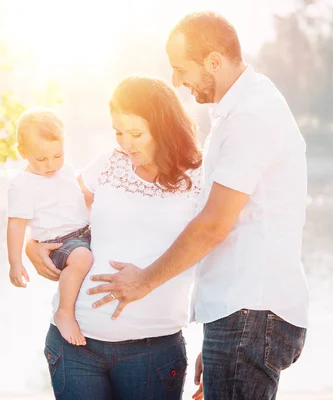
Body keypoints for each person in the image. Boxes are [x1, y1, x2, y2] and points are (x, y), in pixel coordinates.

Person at [87, 12, 309, 400]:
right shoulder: (240, 110)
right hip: (240, 315)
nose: (176, 81)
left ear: (213, 62)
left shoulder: (250, 117)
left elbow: (213, 225)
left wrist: (144, 280)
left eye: (180, 69)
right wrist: (217, 335)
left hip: (251, 313)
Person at [26, 76, 202, 399]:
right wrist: (32, 244)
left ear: (164, 128)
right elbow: (58, 209)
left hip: (153, 352)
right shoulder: (108, 164)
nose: (126, 143)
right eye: (119, 132)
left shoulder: (199, 178)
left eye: (136, 133)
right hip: (76, 347)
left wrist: (213, 346)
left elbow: (214, 257)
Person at [6, 107, 93, 346]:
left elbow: (79, 197)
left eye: (57, 155)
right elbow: (16, 224)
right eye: (41, 159)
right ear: (23, 152)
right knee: (82, 257)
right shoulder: (22, 185)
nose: (51, 165)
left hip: (85, 232)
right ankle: (64, 311)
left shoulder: (65, 169)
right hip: (59, 243)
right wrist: (15, 262)